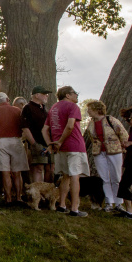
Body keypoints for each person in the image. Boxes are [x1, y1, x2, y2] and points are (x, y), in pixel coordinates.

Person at [42, 86, 89, 217]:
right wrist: (61, 141)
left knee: (65, 175)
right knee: (75, 175)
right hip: (74, 145)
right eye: (75, 93)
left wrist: (50, 144)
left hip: (59, 147)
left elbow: (44, 130)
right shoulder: (73, 107)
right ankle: (75, 208)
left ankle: (62, 205)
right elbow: (70, 125)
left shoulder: (53, 108)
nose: (77, 96)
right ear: (67, 95)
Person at [82, 100, 129, 211]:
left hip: (114, 151)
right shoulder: (91, 123)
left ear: (97, 109)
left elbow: (123, 134)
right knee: (104, 178)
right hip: (99, 152)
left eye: (90, 109)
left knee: (116, 177)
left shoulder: (111, 120)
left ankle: (118, 202)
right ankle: (109, 202)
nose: (88, 111)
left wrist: (125, 147)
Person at [0, 92, 28, 204]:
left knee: (5, 172)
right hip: (16, 140)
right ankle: (18, 197)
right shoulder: (17, 111)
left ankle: (8, 198)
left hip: (0, 141)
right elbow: (23, 126)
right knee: (17, 172)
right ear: (8, 99)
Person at [21, 87, 52, 183]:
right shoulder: (28, 107)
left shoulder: (44, 108)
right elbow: (25, 128)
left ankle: (47, 194)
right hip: (37, 143)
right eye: (44, 94)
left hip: (48, 144)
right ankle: (37, 195)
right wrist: (34, 144)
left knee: (50, 168)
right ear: (36, 95)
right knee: (38, 168)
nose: (46, 96)